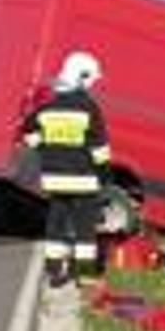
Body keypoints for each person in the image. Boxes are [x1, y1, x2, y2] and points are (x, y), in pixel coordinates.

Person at [25, 51, 111, 288]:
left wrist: (44, 148)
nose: (93, 84)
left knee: (56, 224)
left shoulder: (48, 108)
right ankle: (84, 276)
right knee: (85, 229)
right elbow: (100, 149)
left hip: (54, 179)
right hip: (83, 179)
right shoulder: (89, 108)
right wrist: (105, 178)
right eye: (92, 79)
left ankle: (54, 272)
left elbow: (27, 131)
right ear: (83, 78)